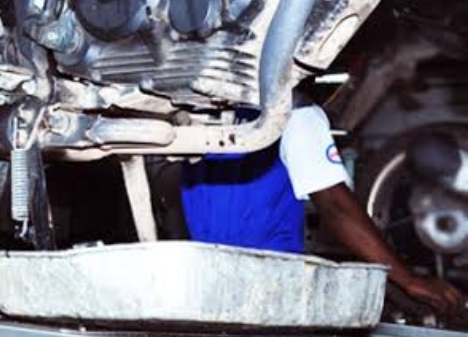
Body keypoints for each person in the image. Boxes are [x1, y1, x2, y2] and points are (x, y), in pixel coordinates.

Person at [180, 101, 465, 318]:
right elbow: (334, 204)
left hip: (205, 289)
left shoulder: (200, 114)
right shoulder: (292, 110)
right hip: (270, 292)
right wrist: (410, 280)